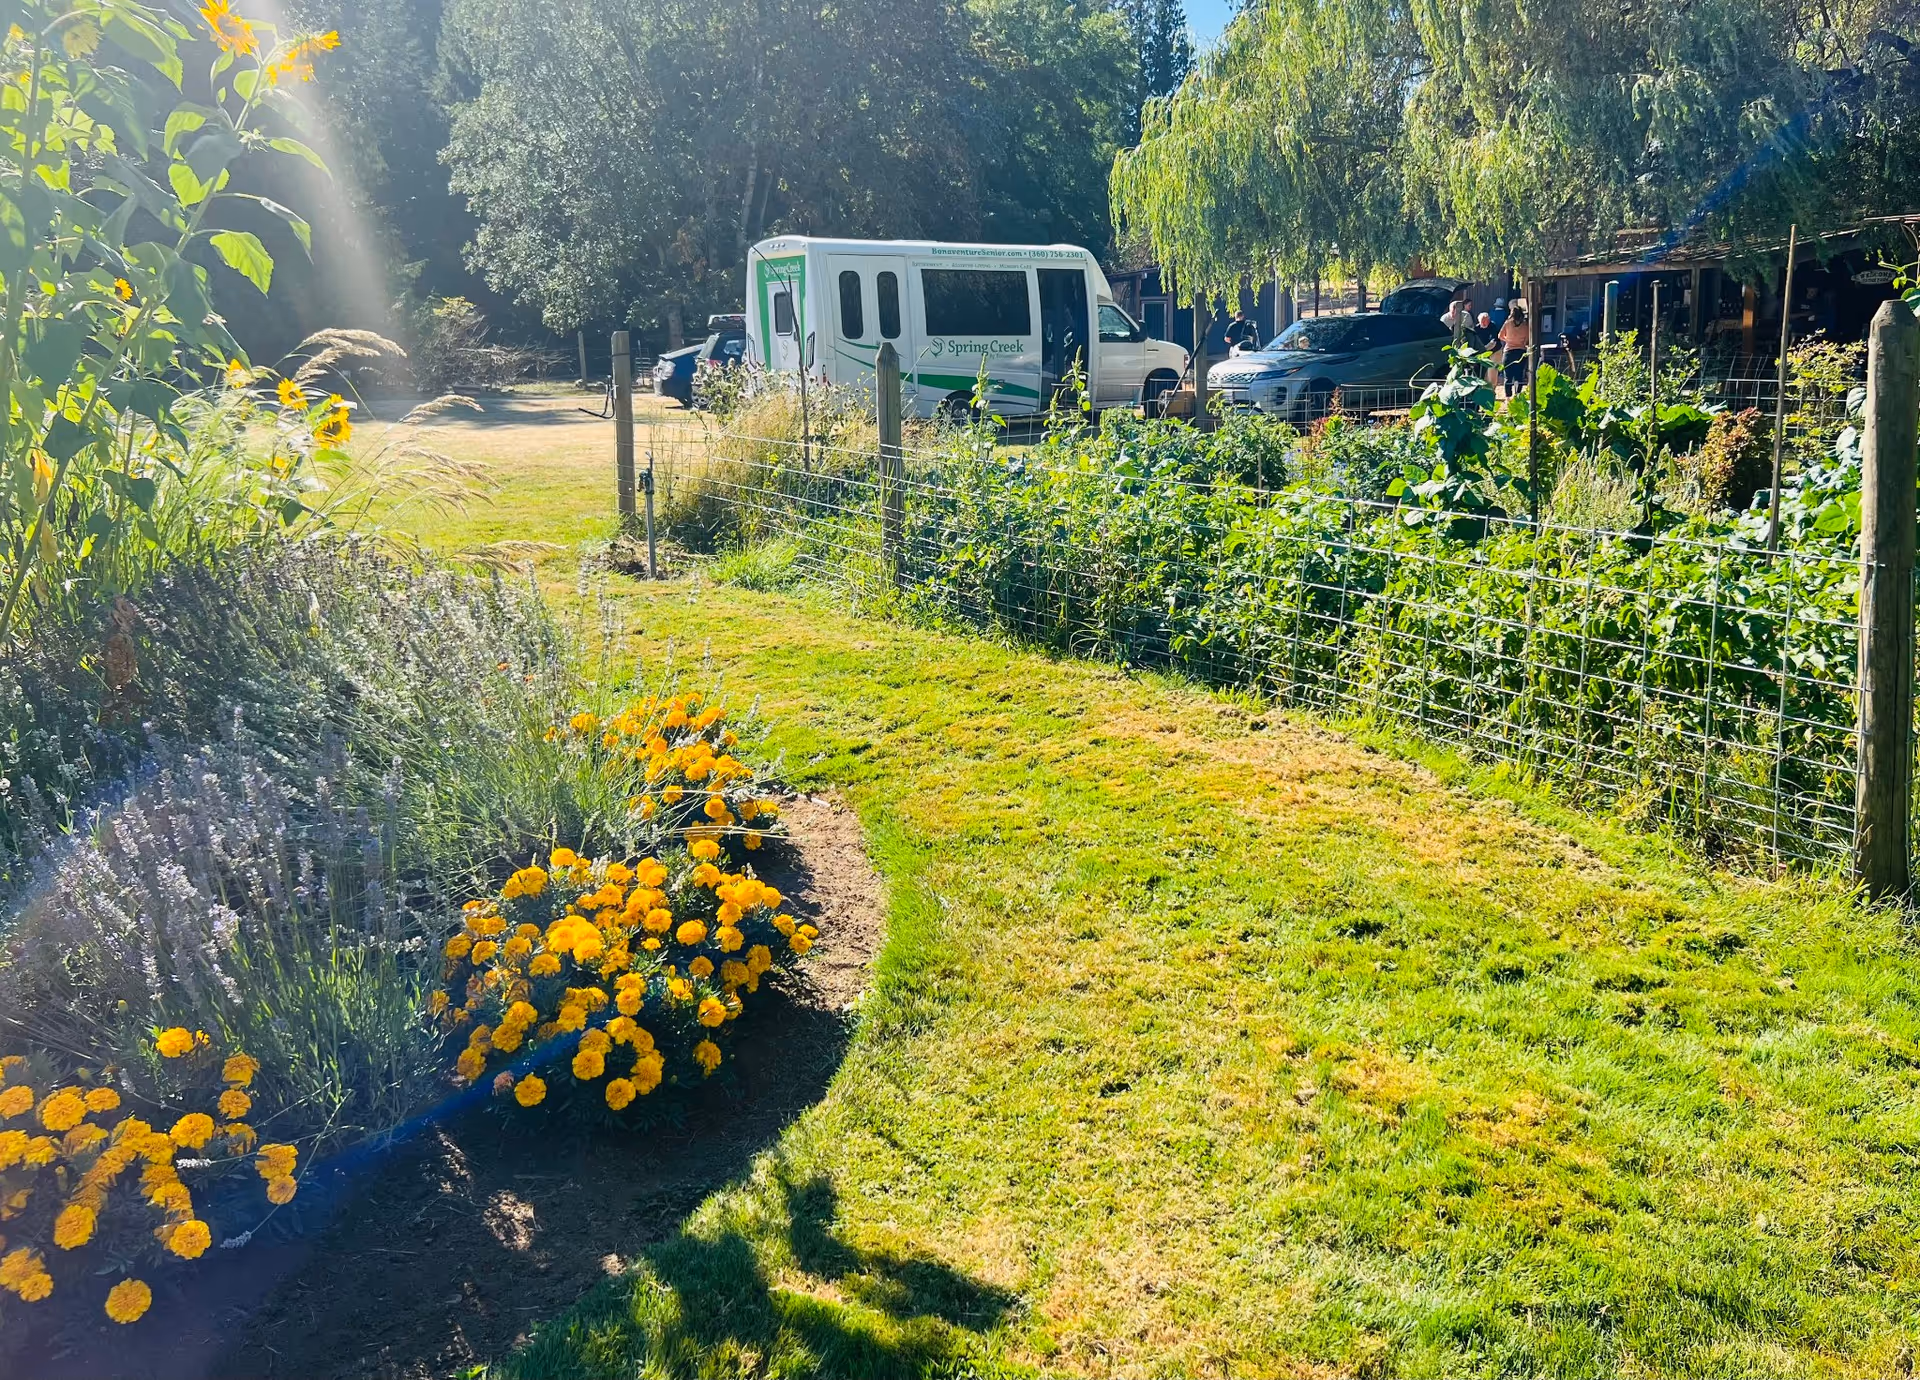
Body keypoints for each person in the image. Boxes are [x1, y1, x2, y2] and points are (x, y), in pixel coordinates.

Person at [1497, 300, 1530, 396]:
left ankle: (1508, 397)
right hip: (1521, 351)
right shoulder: (1525, 325)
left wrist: (1508, 339)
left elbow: (1500, 335)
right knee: (1518, 376)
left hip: (1509, 351)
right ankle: (1518, 395)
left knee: (1508, 377)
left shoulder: (1508, 323)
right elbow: (1527, 339)